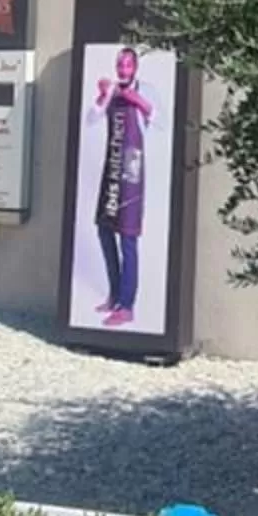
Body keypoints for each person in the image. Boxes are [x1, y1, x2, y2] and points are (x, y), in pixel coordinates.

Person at [89, 46, 155, 325]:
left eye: (128, 65)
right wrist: (103, 96)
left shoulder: (145, 90)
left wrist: (136, 100)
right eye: (120, 64)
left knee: (128, 238)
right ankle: (114, 294)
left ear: (135, 67)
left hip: (131, 172)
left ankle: (127, 306)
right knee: (104, 230)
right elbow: (91, 119)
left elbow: (159, 119)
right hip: (112, 167)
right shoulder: (112, 91)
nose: (123, 69)